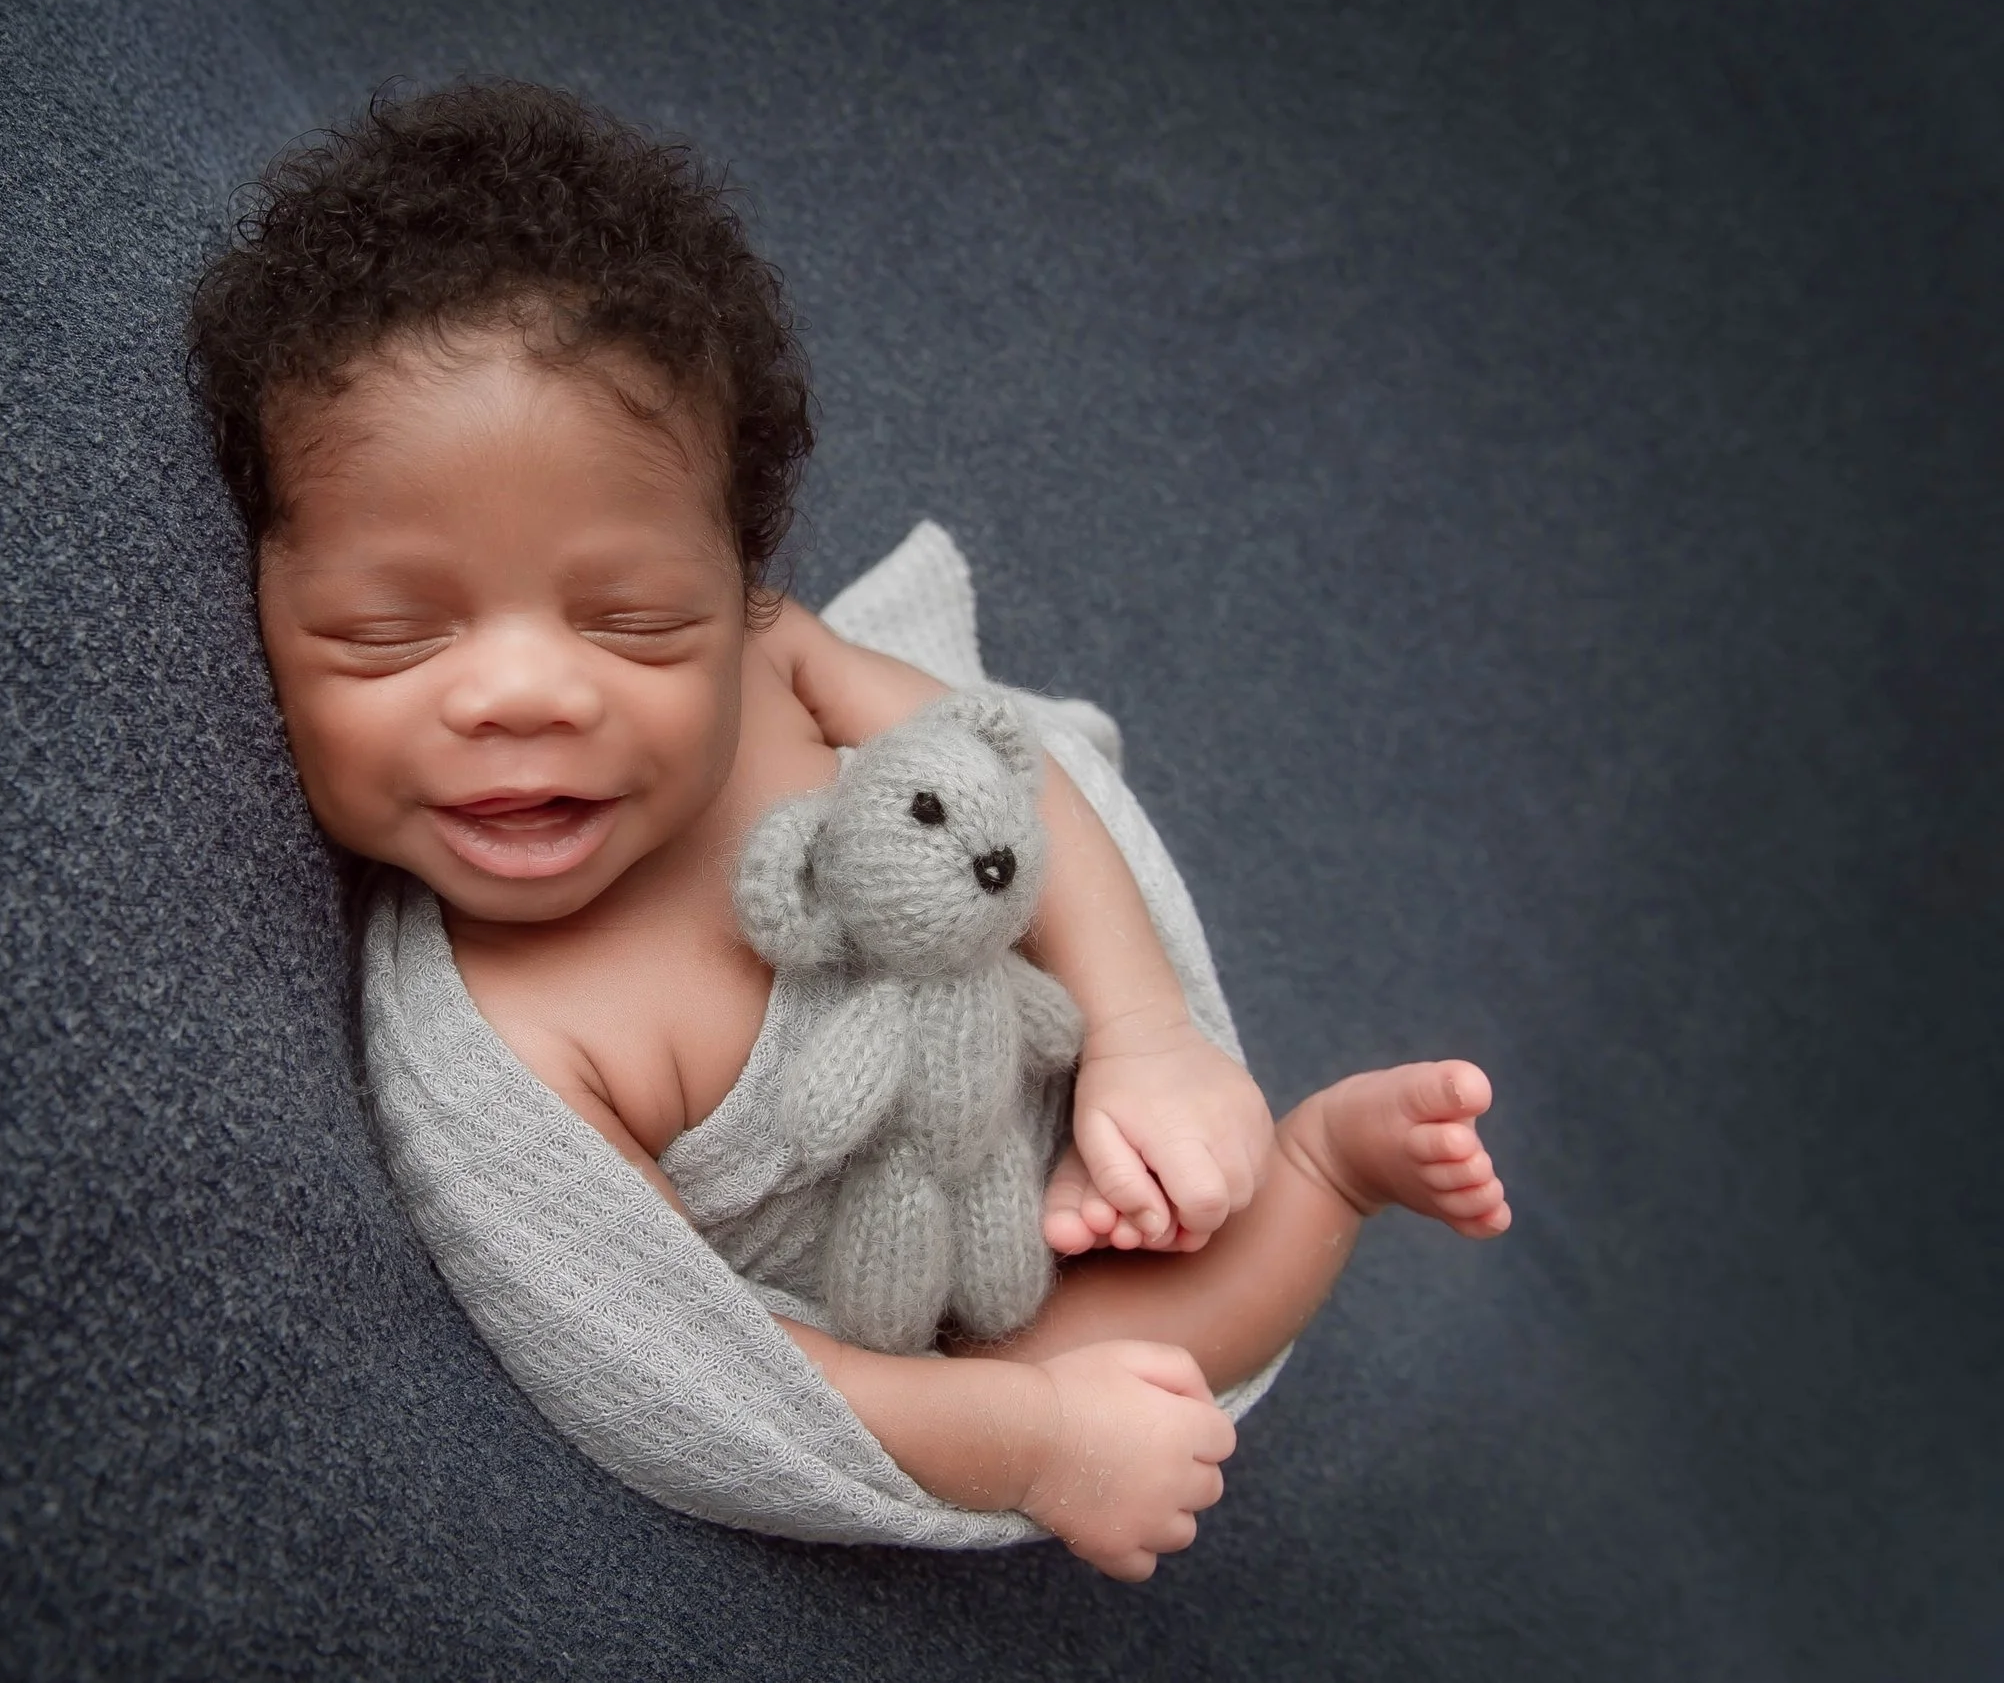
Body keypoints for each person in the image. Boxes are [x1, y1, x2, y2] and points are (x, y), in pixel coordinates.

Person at [186, 80, 1510, 1581]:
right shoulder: (498, 1044)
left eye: (635, 621)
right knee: (1132, 1369)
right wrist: (1036, 1437)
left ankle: (1302, 1158)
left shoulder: (773, 661)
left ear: (739, 584)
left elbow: (1009, 773)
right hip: (927, 1311)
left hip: (1046, 1043)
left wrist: (1143, 1034)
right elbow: (673, 1361)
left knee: (1195, 1163)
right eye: (388, 635)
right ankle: (1323, 1179)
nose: (525, 697)